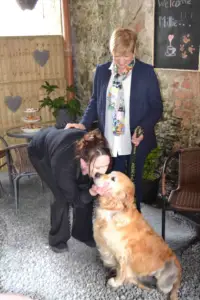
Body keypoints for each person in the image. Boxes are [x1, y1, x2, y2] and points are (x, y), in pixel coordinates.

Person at [66, 27, 163, 212]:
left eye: (126, 56)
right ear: (112, 52)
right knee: (111, 185)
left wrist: (143, 129)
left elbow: (156, 107)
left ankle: (134, 221)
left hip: (135, 140)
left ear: (134, 52)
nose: (121, 61)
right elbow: (95, 101)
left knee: (133, 188)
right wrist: (83, 123)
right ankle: (114, 222)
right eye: (117, 56)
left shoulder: (146, 73)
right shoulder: (102, 71)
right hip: (110, 141)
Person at [28, 127, 112, 253]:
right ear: (84, 162)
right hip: (39, 151)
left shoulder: (96, 151)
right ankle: (57, 239)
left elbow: (87, 190)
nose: (103, 171)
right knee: (61, 196)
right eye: (99, 167)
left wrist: (90, 191)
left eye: (106, 166)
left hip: (65, 143)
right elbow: (74, 199)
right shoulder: (63, 166)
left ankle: (82, 233)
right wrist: (92, 192)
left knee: (86, 187)